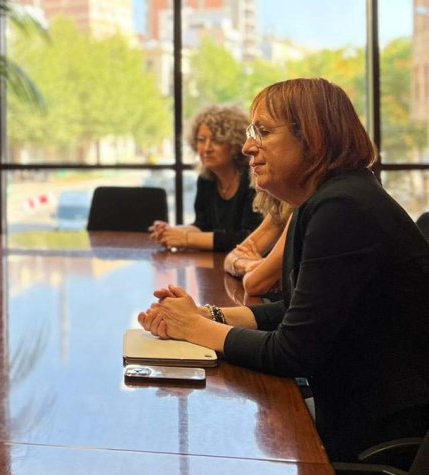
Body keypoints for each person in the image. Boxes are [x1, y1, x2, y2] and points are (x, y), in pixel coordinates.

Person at [139, 78, 429, 462]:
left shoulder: (343, 208)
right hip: (353, 407)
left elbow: (292, 352)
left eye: (263, 131)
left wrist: (192, 328)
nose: (247, 147)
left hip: (377, 432)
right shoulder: (324, 200)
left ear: (313, 139)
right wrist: (209, 315)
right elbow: (295, 309)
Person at [149, 105, 262, 251]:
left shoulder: (253, 179)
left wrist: (185, 238)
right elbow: (202, 226)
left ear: (235, 145)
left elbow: (247, 238)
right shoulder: (206, 179)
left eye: (217, 141)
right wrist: (170, 232)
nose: (206, 148)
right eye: (201, 140)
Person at [223, 186, 293, 297]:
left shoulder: (301, 203)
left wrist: (260, 270)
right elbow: (230, 258)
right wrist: (249, 265)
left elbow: (253, 284)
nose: (253, 168)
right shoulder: (282, 206)